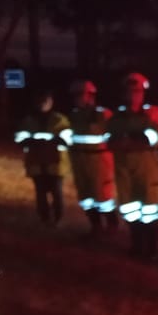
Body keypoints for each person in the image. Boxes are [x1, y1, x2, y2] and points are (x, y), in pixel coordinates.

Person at [105, 72, 158, 261]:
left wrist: (128, 140)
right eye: (130, 92)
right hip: (124, 170)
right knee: (130, 208)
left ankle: (151, 248)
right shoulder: (116, 117)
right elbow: (110, 141)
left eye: (138, 92)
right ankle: (136, 244)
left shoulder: (152, 113)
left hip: (145, 168)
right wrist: (134, 138)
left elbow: (152, 138)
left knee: (148, 210)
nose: (134, 96)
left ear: (143, 93)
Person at [66, 78, 118, 237]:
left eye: (80, 95)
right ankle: (95, 225)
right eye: (76, 96)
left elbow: (114, 136)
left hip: (99, 160)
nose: (78, 99)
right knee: (85, 195)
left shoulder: (104, 114)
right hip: (79, 160)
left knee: (103, 195)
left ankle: (111, 224)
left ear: (91, 96)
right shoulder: (74, 115)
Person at [14, 89, 71, 226]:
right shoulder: (28, 121)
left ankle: (58, 219)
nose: (42, 104)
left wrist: (41, 142)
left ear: (51, 102)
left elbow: (66, 140)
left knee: (57, 194)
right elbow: (20, 139)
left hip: (55, 164)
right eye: (40, 101)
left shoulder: (59, 119)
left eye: (45, 101)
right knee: (40, 194)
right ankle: (44, 218)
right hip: (36, 164)